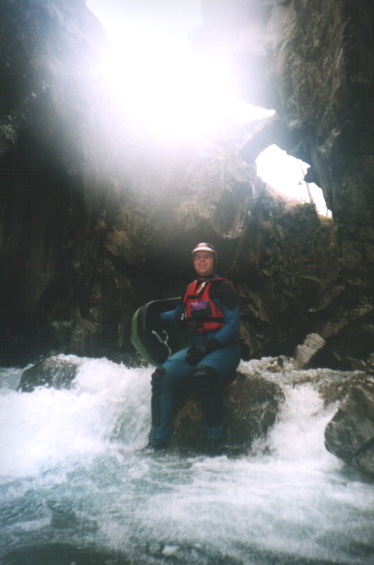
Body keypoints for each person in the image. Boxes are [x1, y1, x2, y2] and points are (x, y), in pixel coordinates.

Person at [150, 242, 241, 453]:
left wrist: (209, 346)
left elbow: (232, 325)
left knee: (203, 375)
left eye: (206, 257)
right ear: (193, 261)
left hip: (223, 348)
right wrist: (153, 317)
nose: (202, 260)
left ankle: (215, 441)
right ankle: (159, 440)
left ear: (213, 261)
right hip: (197, 347)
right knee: (161, 376)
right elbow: (177, 315)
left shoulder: (224, 288)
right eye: (198, 257)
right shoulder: (190, 289)